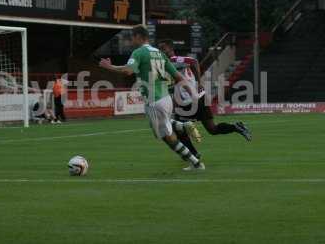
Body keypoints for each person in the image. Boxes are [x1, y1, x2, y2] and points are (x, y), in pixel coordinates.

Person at [100, 25, 205, 171]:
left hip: (154, 101)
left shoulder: (139, 52)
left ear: (138, 36)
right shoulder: (159, 53)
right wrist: (193, 94)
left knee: (167, 137)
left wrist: (109, 67)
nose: (131, 40)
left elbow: (128, 71)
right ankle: (184, 126)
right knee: (162, 128)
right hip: (166, 99)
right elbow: (178, 76)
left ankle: (196, 163)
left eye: (132, 37)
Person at [157, 39, 252, 141]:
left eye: (163, 49)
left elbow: (193, 62)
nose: (161, 51)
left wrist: (199, 82)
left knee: (190, 129)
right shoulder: (165, 64)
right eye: (159, 49)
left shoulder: (175, 59)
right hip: (188, 100)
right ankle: (236, 127)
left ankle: (192, 155)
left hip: (195, 99)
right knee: (209, 129)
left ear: (171, 49)